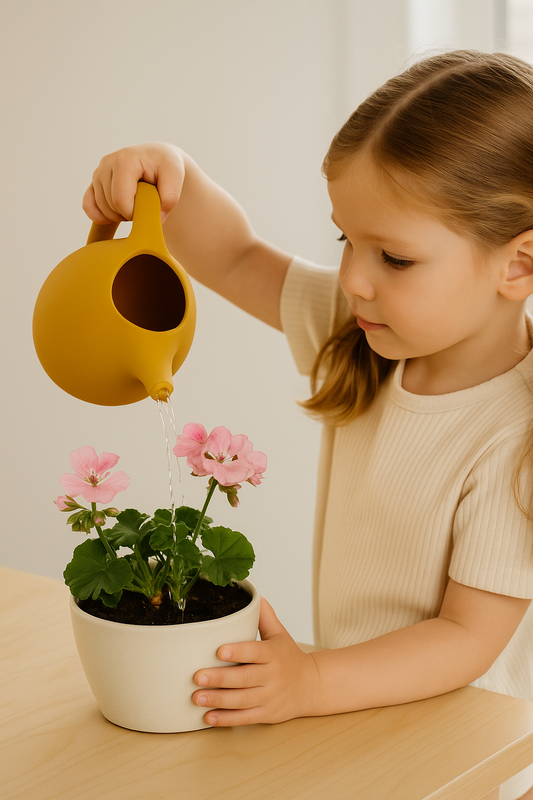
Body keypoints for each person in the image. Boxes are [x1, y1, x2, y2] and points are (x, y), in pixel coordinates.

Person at [83, 50, 533, 800]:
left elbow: (464, 640)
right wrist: (173, 179)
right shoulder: (362, 330)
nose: (356, 277)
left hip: (466, 759)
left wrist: (313, 678)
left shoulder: (513, 435)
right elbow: (231, 257)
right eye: (345, 242)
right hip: (367, 720)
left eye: (394, 256)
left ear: (518, 266)